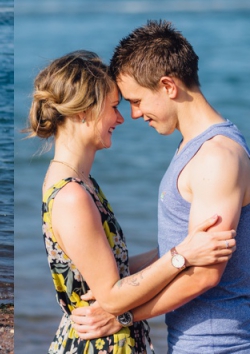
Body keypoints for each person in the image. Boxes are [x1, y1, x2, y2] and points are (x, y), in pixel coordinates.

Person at [26, 50, 236, 353]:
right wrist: (181, 255)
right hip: (99, 343)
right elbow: (111, 296)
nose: (122, 118)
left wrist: (179, 246)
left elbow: (115, 269)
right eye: (114, 107)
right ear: (82, 113)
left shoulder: (81, 183)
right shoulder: (72, 195)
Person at [70, 20, 250, 353]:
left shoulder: (216, 158)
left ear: (168, 85)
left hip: (218, 344)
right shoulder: (192, 147)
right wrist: (112, 280)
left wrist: (123, 316)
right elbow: (177, 246)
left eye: (136, 100)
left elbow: (205, 274)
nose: (134, 114)